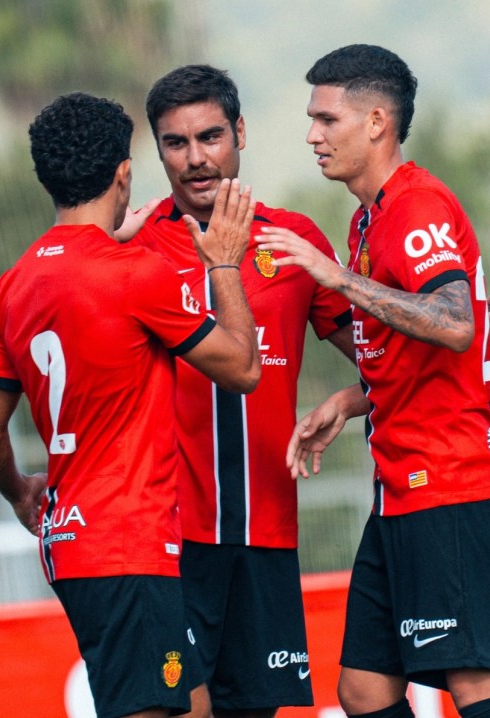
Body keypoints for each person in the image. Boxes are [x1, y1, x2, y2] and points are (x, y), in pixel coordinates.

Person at [0, 91, 260, 718]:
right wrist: (225, 264)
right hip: (128, 542)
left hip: (73, 544)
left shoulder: (12, 288)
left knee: (194, 704)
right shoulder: (134, 273)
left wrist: (22, 493)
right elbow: (243, 368)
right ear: (124, 173)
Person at [255, 44, 490, 718]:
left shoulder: (415, 206)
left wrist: (336, 277)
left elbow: (454, 321)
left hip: (450, 481)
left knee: (476, 683)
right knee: (364, 690)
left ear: (376, 122)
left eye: (326, 119)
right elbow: (434, 329)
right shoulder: (368, 217)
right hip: (402, 489)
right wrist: (351, 401)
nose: (313, 135)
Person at [124, 64, 356, 718]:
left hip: (266, 537)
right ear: (157, 151)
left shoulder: (295, 242)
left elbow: (381, 358)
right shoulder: (136, 248)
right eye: (176, 143)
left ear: (241, 133)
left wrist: (350, 400)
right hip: (170, 539)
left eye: (210, 136)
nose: (196, 158)